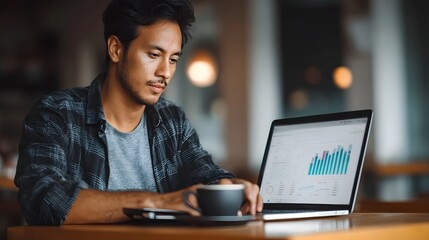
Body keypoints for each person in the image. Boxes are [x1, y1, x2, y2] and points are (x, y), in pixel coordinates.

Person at [15, 0, 263, 226]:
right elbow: (43, 200)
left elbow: (206, 173)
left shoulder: (172, 121)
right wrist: (158, 203)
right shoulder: (57, 113)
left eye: (173, 59)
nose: (165, 72)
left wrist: (228, 187)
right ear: (115, 49)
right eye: (154, 55)